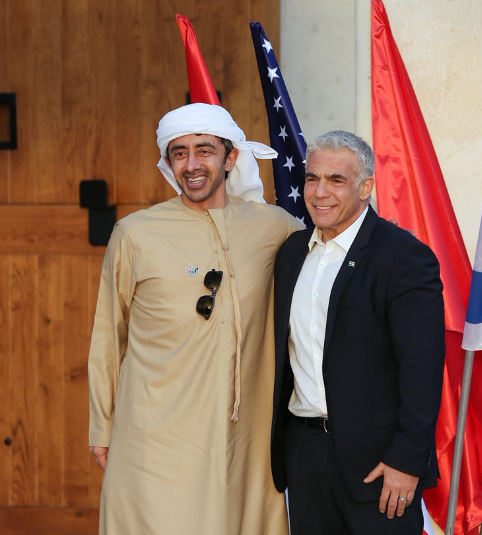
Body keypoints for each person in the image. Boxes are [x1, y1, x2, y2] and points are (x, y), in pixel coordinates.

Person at [88, 103, 303, 534]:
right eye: (179, 153)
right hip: (154, 439)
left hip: (246, 442)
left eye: (204, 150)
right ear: (168, 163)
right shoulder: (135, 233)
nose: (191, 165)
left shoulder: (276, 228)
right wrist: (101, 426)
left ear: (231, 157)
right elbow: (108, 336)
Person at [270, 131, 446, 534]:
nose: (320, 192)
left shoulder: (402, 256)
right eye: (312, 178)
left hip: (380, 463)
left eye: (336, 180)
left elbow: (422, 369)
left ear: (365, 187)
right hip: (305, 454)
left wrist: (406, 459)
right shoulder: (292, 252)